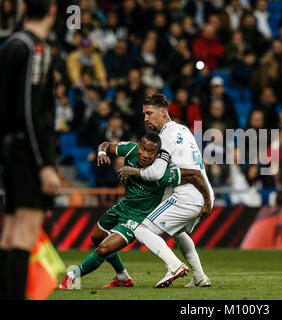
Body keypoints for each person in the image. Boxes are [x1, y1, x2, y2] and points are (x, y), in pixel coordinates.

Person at [58, 133, 211, 289]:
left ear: (157, 155)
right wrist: (102, 153)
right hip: (122, 206)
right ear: (138, 145)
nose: (145, 154)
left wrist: (207, 201)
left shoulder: (160, 174)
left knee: (103, 249)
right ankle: (123, 278)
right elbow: (106, 145)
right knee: (97, 238)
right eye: (143, 149)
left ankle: (71, 277)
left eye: (151, 152)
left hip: (137, 217)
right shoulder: (130, 149)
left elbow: (195, 175)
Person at [118, 93, 214, 288]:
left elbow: (154, 173)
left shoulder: (165, 137)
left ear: (163, 112)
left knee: (142, 230)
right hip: (203, 192)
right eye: (144, 114)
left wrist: (132, 171)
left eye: (149, 113)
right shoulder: (183, 129)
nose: (145, 118)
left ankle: (174, 266)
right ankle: (200, 277)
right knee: (178, 233)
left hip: (187, 195)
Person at [0, 0, 60, 300]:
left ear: (24, 9)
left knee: (9, 232)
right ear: (52, 10)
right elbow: (31, 107)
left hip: (10, 148)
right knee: (25, 232)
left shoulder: (11, 44)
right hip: (27, 151)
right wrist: (44, 164)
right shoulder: (37, 49)